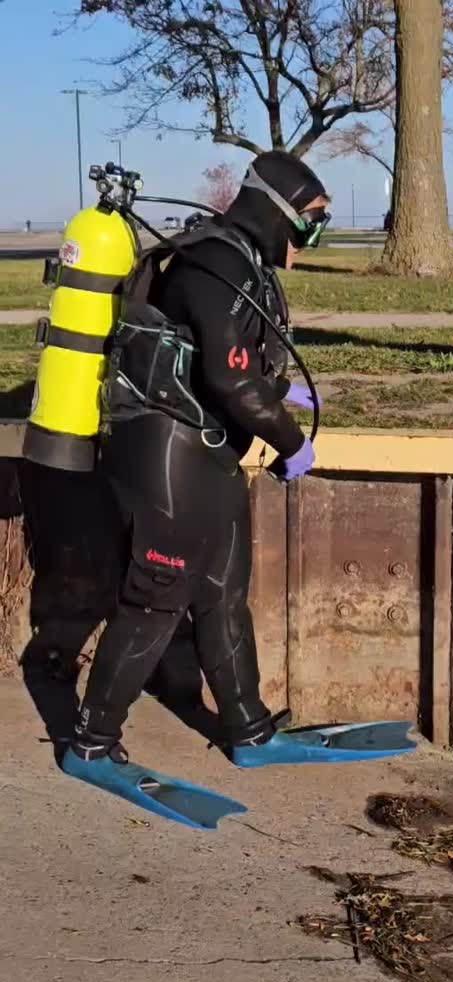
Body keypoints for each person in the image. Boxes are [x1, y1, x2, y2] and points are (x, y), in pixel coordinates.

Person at [69, 150, 330, 764]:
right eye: (309, 223)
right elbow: (231, 380)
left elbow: (228, 361)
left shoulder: (237, 262)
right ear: (276, 210)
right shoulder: (215, 262)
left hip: (207, 456)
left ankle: (249, 729)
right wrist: (293, 443)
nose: (309, 240)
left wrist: (278, 388)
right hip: (168, 458)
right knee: (155, 600)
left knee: (221, 594)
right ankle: (90, 744)